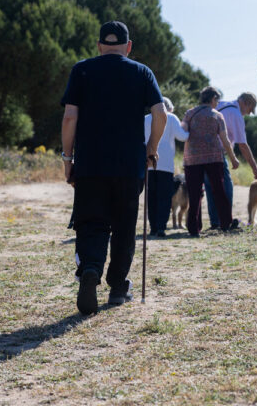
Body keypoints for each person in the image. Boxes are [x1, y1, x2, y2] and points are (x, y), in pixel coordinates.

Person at [61, 20, 167, 316]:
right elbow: (160, 114)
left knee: (91, 222)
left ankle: (91, 269)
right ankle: (118, 287)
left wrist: (67, 158)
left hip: (90, 164)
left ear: (99, 46)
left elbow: (70, 118)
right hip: (129, 165)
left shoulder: (82, 69)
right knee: (123, 226)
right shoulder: (141, 71)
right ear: (128, 46)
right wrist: (152, 149)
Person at [181, 86, 240, 236]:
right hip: (214, 158)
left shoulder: (189, 113)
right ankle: (225, 224)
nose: (217, 103)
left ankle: (194, 229)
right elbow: (225, 140)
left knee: (194, 193)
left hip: (192, 158)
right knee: (219, 191)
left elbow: (182, 132)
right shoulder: (217, 116)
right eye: (217, 100)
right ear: (213, 99)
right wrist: (233, 158)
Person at [204, 92, 257, 229]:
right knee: (226, 186)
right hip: (217, 152)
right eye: (250, 110)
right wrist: (255, 170)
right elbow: (242, 145)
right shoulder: (236, 114)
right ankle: (226, 221)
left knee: (210, 186)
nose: (248, 113)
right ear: (246, 103)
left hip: (201, 151)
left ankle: (215, 222)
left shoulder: (222, 104)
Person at [144, 96, 189, 237]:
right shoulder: (171, 117)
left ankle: (152, 227)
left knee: (151, 196)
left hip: (148, 162)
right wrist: (187, 127)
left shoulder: (145, 118)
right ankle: (161, 227)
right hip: (166, 164)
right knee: (164, 196)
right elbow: (183, 137)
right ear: (169, 107)